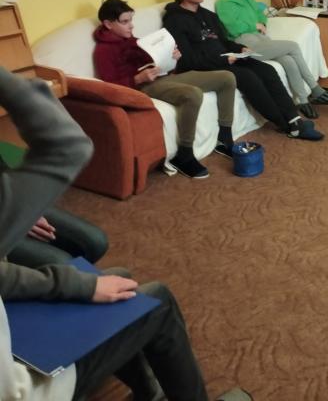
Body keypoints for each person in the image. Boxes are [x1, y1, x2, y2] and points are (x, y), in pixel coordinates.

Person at [0, 67, 251, 401]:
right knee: (155, 301)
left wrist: (20, 208)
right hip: (25, 390)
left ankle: (148, 392)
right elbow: (67, 146)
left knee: (114, 280)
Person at [162, 0, 323, 141]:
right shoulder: (174, 20)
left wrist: (240, 49)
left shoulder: (208, 16)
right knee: (248, 77)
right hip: (207, 66)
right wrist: (224, 59)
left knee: (266, 70)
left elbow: (224, 42)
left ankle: (294, 118)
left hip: (228, 58)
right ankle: (286, 125)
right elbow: (188, 58)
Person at [94, 0, 238, 179]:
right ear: (108, 24)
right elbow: (109, 86)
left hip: (164, 77)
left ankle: (225, 139)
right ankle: (184, 155)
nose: (131, 26)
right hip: (143, 87)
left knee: (226, 78)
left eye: (131, 20)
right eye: (125, 22)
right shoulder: (103, 51)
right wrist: (137, 79)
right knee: (192, 94)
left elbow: (157, 63)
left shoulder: (133, 40)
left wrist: (171, 58)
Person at [215, 0, 328, 119]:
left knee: (288, 60)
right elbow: (233, 28)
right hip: (244, 44)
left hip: (260, 38)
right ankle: (315, 89)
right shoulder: (223, 2)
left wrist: (262, 23)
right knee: (293, 46)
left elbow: (260, 14)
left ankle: (302, 101)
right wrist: (254, 25)